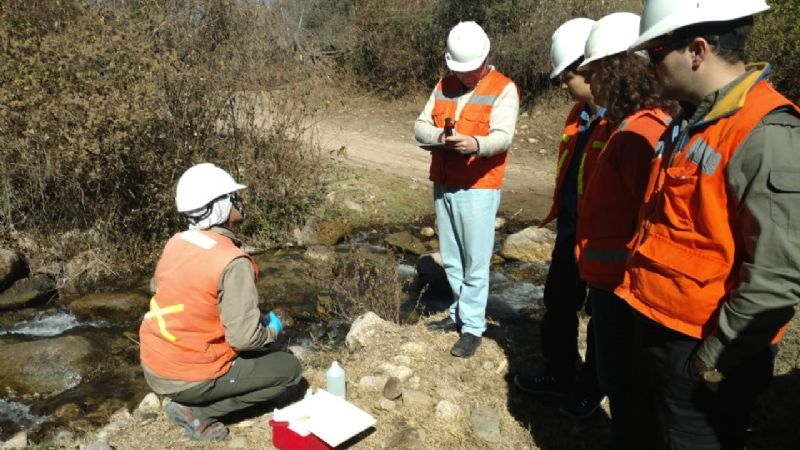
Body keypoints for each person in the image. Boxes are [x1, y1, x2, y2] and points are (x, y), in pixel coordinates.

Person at [615, 0, 800, 448]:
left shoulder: (766, 134)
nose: (650, 64)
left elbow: (777, 276)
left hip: (703, 350)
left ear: (698, 50)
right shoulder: (690, 118)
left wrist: (712, 359)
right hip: (659, 327)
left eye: (656, 51)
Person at [139, 163, 302, 441]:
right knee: (289, 370)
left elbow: (161, 288)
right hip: (187, 376)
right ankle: (198, 413)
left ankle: (194, 397)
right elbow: (243, 339)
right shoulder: (232, 261)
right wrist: (272, 330)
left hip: (155, 364)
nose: (239, 203)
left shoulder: (177, 242)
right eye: (233, 198)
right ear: (221, 206)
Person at [574, 12, 677, 449]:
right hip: (611, 285)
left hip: (625, 291)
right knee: (621, 387)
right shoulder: (623, 126)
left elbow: (649, 219)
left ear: (618, 71)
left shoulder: (642, 133)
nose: (589, 82)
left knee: (629, 393)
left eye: (594, 72)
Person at [513, 17, 613, 421]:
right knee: (558, 300)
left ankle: (591, 387)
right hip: (572, 227)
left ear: (588, 69)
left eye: (566, 76)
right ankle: (559, 371)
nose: (561, 85)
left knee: (601, 316)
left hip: (605, 237)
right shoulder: (578, 115)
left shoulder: (622, 119)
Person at [415, 21, 519, 358]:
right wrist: (439, 138)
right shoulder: (443, 85)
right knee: (452, 257)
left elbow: (503, 137)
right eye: (460, 70)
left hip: (478, 186)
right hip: (445, 182)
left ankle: (473, 327)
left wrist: (474, 144)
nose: (465, 75)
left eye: (470, 69)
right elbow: (420, 126)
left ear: (486, 57)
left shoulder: (503, 88)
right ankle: (459, 313)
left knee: (475, 260)